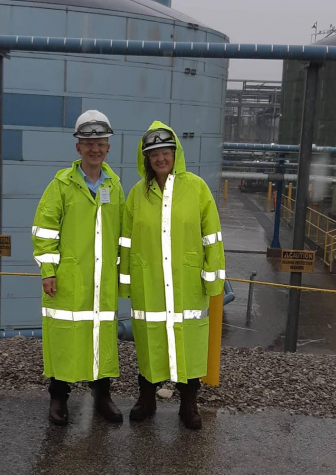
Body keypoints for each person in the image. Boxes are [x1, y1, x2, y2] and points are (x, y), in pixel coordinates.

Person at [119, 121, 225, 430]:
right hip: (148, 283)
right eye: (154, 154)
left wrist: (213, 278)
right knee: (150, 343)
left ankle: (189, 404)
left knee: (188, 345)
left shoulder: (197, 188)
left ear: (175, 154)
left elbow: (212, 236)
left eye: (165, 152)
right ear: (146, 159)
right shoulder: (138, 194)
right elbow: (126, 240)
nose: (160, 159)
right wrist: (126, 280)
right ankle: (146, 399)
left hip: (187, 285)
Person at [32, 110, 125, 426]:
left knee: (100, 337)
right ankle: (58, 398)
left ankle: (102, 396)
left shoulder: (115, 185)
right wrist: (48, 270)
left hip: (103, 281)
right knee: (65, 338)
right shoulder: (61, 185)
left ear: (108, 147)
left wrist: (121, 275)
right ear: (78, 148)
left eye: (100, 142)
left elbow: (122, 234)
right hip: (69, 280)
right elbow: (44, 230)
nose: (94, 149)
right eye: (88, 143)